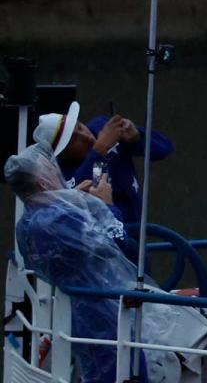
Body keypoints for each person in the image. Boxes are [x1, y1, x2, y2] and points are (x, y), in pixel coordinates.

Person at [6, 142, 137, 383]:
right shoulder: (57, 219)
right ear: (43, 182)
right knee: (126, 371)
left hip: (76, 309)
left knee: (95, 372)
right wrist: (106, 206)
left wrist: (78, 203)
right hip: (102, 310)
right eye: (49, 168)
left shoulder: (29, 221)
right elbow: (116, 244)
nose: (56, 170)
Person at [37, 101, 174, 226]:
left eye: (79, 127)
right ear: (62, 154)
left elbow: (164, 149)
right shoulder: (60, 175)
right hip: (110, 241)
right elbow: (98, 184)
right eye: (73, 140)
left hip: (139, 230)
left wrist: (136, 137)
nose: (85, 136)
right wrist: (99, 150)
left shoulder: (101, 126)